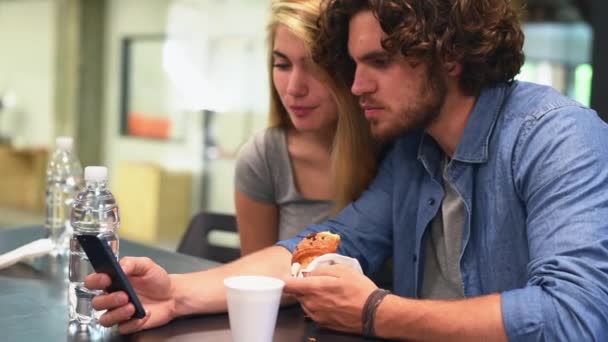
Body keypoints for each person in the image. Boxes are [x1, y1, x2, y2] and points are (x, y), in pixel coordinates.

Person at [86, 0, 608, 340]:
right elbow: (327, 244)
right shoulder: (414, 151)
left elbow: (576, 316)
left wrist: (376, 310)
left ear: (449, 56)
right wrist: (179, 293)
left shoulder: (557, 136)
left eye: (378, 62)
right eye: (355, 65)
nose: (356, 87)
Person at [234, 0, 378, 255]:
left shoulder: (401, 149)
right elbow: (258, 281)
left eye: (314, 66)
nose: (293, 88)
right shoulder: (264, 157)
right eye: (282, 65)